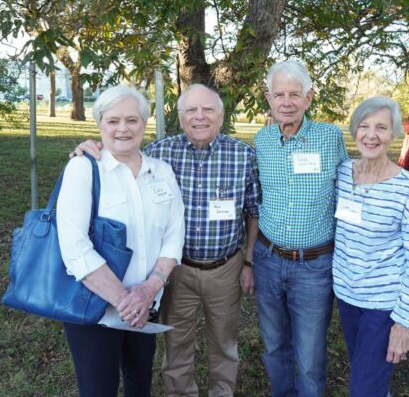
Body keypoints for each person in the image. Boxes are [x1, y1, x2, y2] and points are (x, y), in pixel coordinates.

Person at [73, 84, 261, 396]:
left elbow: (253, 212)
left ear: (222, 114)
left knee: (224, 341)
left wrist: (249, 261)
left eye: (208, 110)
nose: (199, 117)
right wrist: (88, 147)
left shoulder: (244, 155)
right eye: (191, 110)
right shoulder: (158, 153)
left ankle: (222, 392)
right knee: (177, 341)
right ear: (180, 116)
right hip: (176, 269)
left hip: (226, 267)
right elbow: (118, 152)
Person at [57, 85, 185, 396]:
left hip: (146, 304)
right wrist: (126, 302)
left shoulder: (162, 172)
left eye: (132, 119)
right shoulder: (83, 169)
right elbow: (75, 248)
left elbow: (173, 236)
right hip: (96, 309)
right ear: (99, 123)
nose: (123, 129)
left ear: (145, 123)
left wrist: (147, 292)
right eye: (113, 120)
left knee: (139, 383)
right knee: (98, 389)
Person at [253, 60, 348, 396]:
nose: (287, 101)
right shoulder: (262, 140)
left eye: (295, 94)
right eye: (279, 94)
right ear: (269, 98)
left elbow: (349, 185)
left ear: (308, 99)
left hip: (314, 265)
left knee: (309, 355)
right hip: (267, 259)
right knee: (274, 345)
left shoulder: (330, 137)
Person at [333, 96, 409, 397]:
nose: (371, 135)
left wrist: (403, 322)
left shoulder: (406, 187)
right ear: (354, 130)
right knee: (367, 374)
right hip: (346, 296)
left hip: (383, 304)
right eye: (364, 126)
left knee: (362, 388)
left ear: (394, 134)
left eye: (381, 127)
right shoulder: (342, 174)